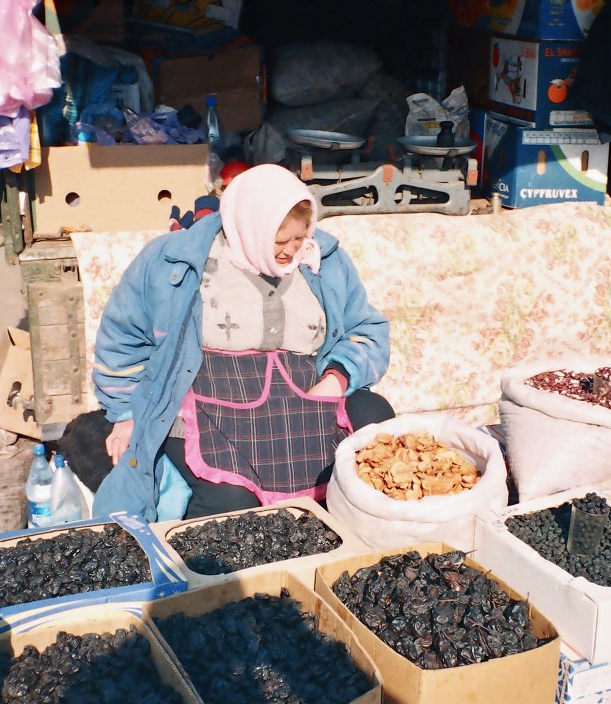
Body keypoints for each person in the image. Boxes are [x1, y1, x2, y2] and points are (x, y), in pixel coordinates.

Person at [91, 163, 393, 521]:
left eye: (300, 237)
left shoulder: (323, 259)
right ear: (248, 229)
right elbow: (123, 337)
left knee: (377, 428)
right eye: (280, 241)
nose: (291, 251)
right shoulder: (174, 261)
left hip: (303, 393)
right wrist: (125, 415)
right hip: (208, 397)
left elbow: (368, 330)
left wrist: (337, 377)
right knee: (232, 504)